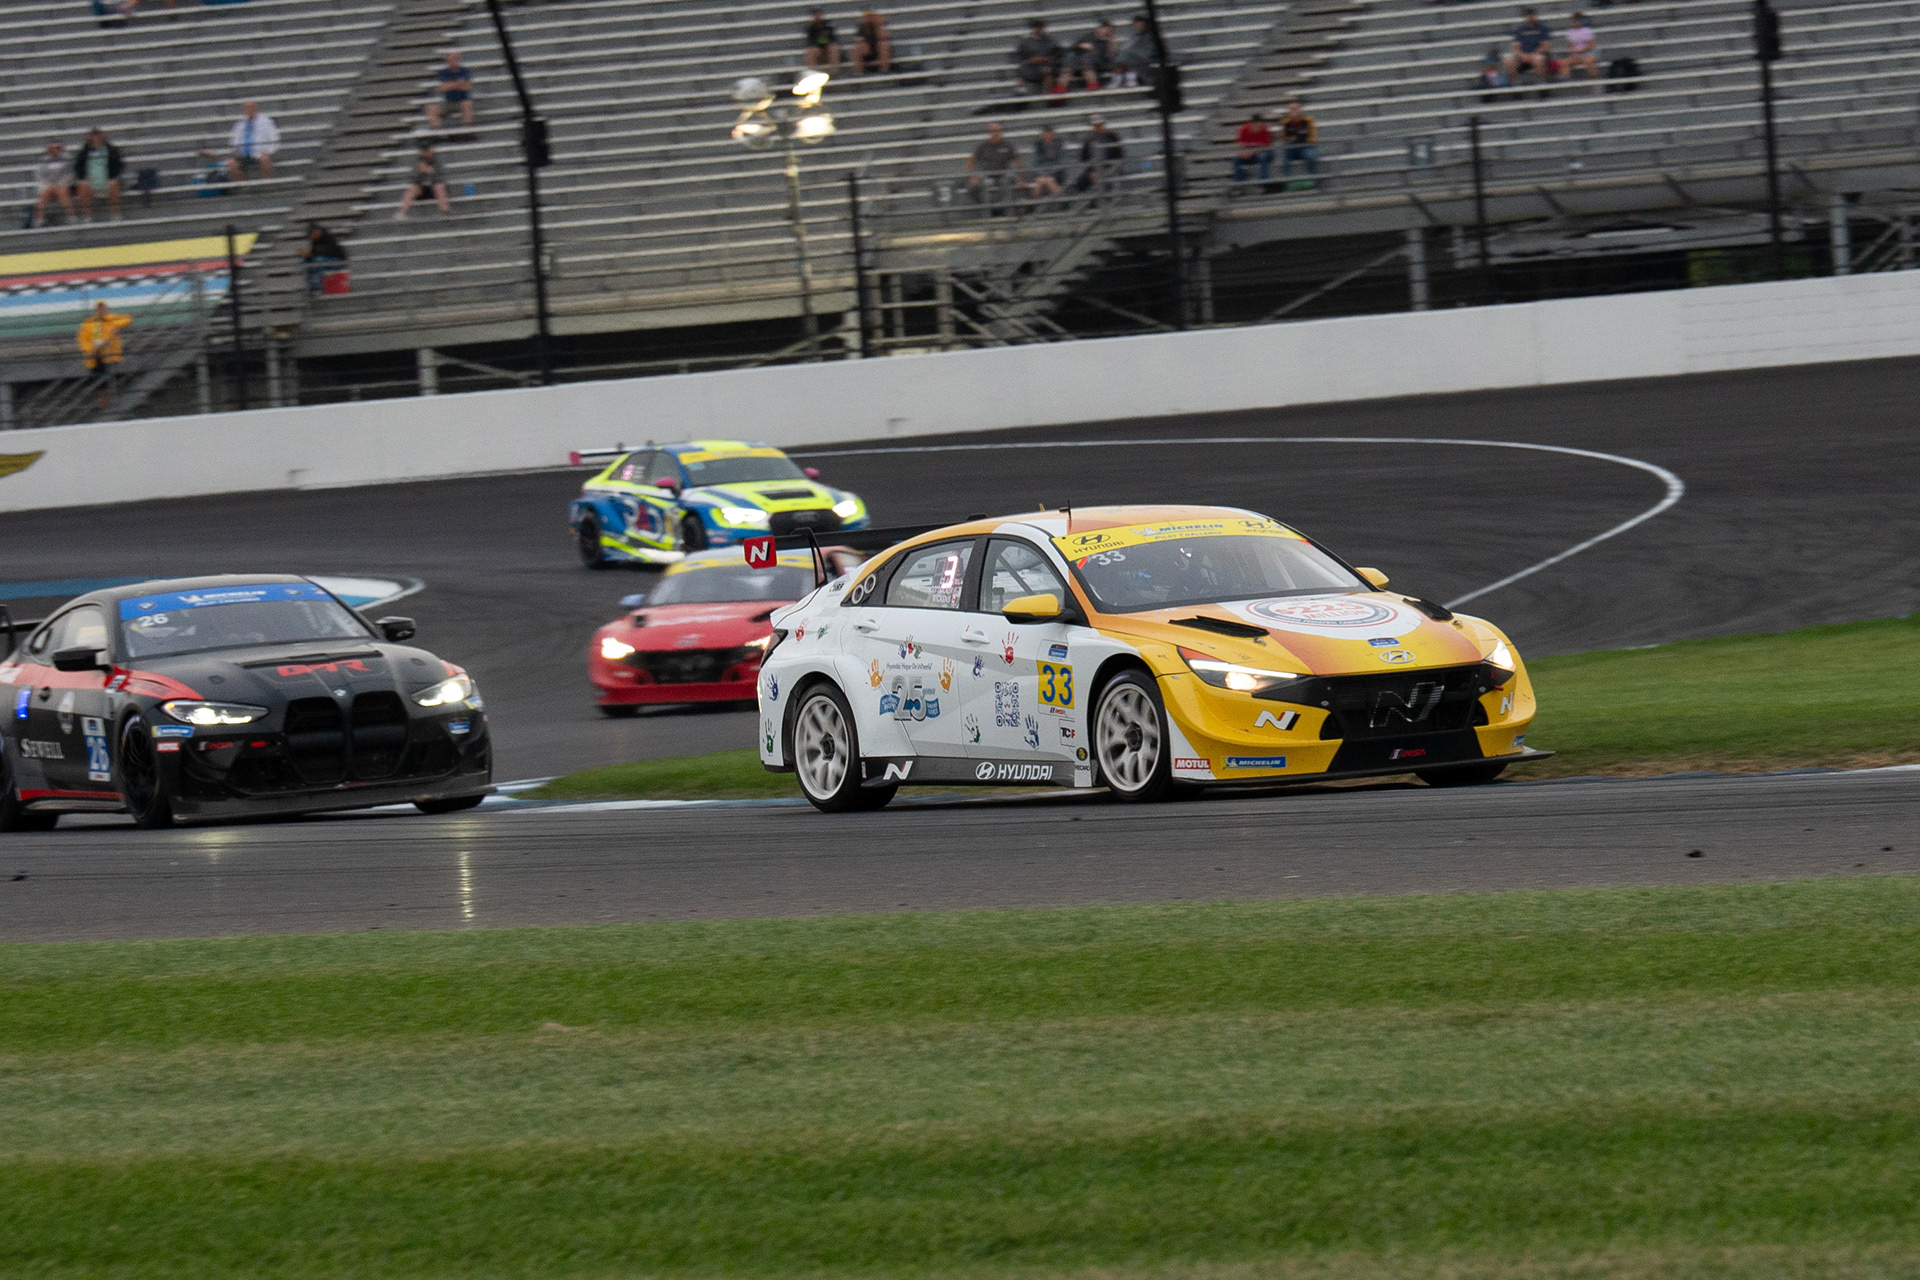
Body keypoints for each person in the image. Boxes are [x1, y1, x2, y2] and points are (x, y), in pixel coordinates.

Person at [77, 301, 132, 409]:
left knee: (110, 381)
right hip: (97, 357)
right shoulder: (90, 323)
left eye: (103, 308)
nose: (101, 311)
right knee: (100, 385)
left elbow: (128, 318)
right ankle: (104, 404)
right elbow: (83, 340)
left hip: (110, 356)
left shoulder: (112, 319)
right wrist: (91, 350)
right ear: (96, 310)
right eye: (99, 309)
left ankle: (111, 405)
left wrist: (117, 327)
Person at [966, 121, 1021, 214]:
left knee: (1006, 181)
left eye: (997, 131)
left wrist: (1020, 176)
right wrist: (973, 176)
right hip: (988, 176)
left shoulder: (1008, 145)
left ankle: (1007, 212)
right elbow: (970, 161)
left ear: (1001, 132)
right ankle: (988, 212)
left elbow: (1018, 162)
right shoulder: (983, 146)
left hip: (1003, 175)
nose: (995, 133)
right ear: (989, 132)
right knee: (980, 185)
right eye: (992, 131)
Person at [72, 128, 124, 221]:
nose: (96, 138)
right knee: (82, 185)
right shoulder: (84, 152)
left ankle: (115, 213)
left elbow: (118, 165)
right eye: (94, 136)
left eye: (98, 136)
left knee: (114, 183)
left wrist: (111, 176)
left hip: (107, 180)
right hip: (90, 183)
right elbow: (78, 167)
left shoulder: (111, 150)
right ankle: (87, 215)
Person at [226, 101, 279, 181]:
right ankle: (242, 186)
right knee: (231, 163)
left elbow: (274, 138)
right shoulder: (240, 124)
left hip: (259, 153)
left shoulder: (265, 122)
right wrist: (235, 151)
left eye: (251, 108)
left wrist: (267, 151)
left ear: (256, 108)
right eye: (247, 108)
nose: (249, 110)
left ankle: (267, 184)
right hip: (243, 154)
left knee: (265, 160)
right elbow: (233, 142)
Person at [395, 143, 451, 218]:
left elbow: (441, 179)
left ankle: (445, 211)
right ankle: (401, 213)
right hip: (421, 190)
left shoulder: (437, 162)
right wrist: (420, 173)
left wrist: (431, 173)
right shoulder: (417, 163)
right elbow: (413, 181)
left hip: (434, 189)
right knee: (412, 188)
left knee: (439, 186)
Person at [424, 50, 474, 129]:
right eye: (452, 59)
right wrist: (458, 83)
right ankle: (439, 134)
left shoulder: (464, 71)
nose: (454, 61)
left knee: (468, 104)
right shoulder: (443, 72)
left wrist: (450, 85)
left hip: (461, 101)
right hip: (448, 102)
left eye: (456, 58)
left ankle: (466, 131)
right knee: (431, 108)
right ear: (447, 61)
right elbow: (443, 88)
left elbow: (467, 87)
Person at [1076, 115, 1125, 195]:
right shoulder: (1088, 140)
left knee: (1103, 180)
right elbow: (1083, 159)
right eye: (1095, 125)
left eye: (1099, 125)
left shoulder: (1113, 137)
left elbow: (1119, 156)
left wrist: (1108, 170)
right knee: (1080, 182)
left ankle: (1099, 199)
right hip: (1093, 170)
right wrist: (1089, 173)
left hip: (1109, 168)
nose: (1098, 127)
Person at [30, 142, 75, 227]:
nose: (54, 150)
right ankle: (39, 219)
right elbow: (39, 177)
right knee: (44, 194)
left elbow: (70, 174)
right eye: (52, 148)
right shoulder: (43, 161)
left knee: (62, 192)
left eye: (57, 148)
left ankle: (71, 216)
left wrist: (59, 184)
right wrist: (51, 185)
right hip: (49, 187)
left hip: (64, 185)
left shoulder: (68, 159)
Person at [1012, 20, 1062, 94]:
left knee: (1047, 72)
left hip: (1046, 65)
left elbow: (1056, 54)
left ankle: (1050, 97)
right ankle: (1021, 96)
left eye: (1040, 28)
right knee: (1021, 75)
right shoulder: (1025, 42)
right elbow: (1021, 57)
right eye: (1037, 28)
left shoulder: (1050, 40)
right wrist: (1031, 61)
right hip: (1030, 67)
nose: (1039, 30)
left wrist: (1044, 59)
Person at [1503, 8, 1553, 81]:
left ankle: (1542, 82)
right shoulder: (1520, 30)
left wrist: (1532, 55)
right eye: (1528, 16)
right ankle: (1514, 84)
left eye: (1532, 15)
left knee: (1539, 59)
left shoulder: (1542, 29)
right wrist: (1522, 55)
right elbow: (1515, 47)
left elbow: (1546, 46)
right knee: (1507, 61)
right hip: (1523, 58)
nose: (1530, 17)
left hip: (1536, 55)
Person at [1070, 17, 1117, 91]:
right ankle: (1093, 83)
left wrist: (1111, 43)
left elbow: (1109, 56)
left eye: (1109, 29)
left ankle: (1093, 83)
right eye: (1104, 28)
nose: (1106, 31)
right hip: (1083, 62)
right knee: (1079, 61)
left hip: (1100, 62)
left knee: (1084, 60)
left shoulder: (1108, 41)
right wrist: (1081, 45)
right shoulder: (1089, 36)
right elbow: (1074, 46)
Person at [299, 221, 348, 292]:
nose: (311, 237)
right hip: (323, 260)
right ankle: (312, 287)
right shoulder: (315, 241)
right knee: (305, 262)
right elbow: (314, 254)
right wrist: (307, 257)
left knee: (319, 261)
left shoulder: (329, 238)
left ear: (317, 231)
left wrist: (311, 255)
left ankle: (319, 286)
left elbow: (328, 252)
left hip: (338, 261)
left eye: (311, 234)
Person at [1279, 99, 1318, 179]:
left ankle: (1312, 177)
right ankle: (1286, 179)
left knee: (1310, 155)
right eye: (1291, 109)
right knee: (1284, 151)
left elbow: (1312, 138)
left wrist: (1296, 138)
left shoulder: (1308, 121)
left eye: (1296, 109)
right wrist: (1297, 137)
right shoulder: (1285, 122)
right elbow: (1284, 138)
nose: (1294, 111)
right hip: (1292, 148)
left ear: (1300, 110)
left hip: (1305, 146)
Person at [1115, 14, 1158, 88]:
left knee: (1123, 56)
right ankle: (1127, 78)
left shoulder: (1150, 35)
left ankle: (1120, 78)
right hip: (1133, 59)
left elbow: (1149, 51)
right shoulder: (1134, 36)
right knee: (1122, 56)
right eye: (1136, 23)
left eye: (1140, 23)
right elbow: (1124, 48)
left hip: (1146, 58)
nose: (1137, 25)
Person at [1232, 111, 1273, 186]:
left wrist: (1251, 152)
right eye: (1256, 125)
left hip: (1260, 153)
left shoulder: (1265, 129)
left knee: (1263, 157)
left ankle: (1263, 183)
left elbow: (1265, 146)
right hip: (1248, 153)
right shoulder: (1244, 128)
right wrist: (1242, 153)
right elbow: (1239, 144)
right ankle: (1238, 184)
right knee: (1236, 159)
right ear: (1252, 124)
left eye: (1259, 125)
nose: (1258, 128)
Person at [1029, 124, 1067, 198]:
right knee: (1039, 181)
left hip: (1057, 172)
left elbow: (1061, 162)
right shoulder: (1038, 146)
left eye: (1050, 135)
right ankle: (1035, 206)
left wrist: (1049, 174)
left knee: (1049, 180)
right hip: (1041, 173)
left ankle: (1061, 201)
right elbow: (1036, 162)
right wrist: (1044, 174)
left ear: (1053, 135)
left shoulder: (1059, 145)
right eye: (1046, 135)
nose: (1048, 137)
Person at [1563, 12, 1601, 84]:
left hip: (1590, 53)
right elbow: (1570, 46)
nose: (1575, 22)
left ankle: (1597, 82)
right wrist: (1573, 53)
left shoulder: (1587, 31)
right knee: (1564, 63)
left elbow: (1591, 46)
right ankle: (1567, 83)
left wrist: (1580, 51)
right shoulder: (1570, 32)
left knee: (1588, 61)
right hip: (1577, 55)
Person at [851, 9, 892, 74]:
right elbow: (857, 39)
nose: (869, 18)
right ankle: (858, 73)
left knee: (883, 45)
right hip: (867, 50)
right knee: (857, 47)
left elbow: (884, 36)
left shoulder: (881, 25)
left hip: (879, 49)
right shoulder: (862, 26)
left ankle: (884, 70)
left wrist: (878, 25)